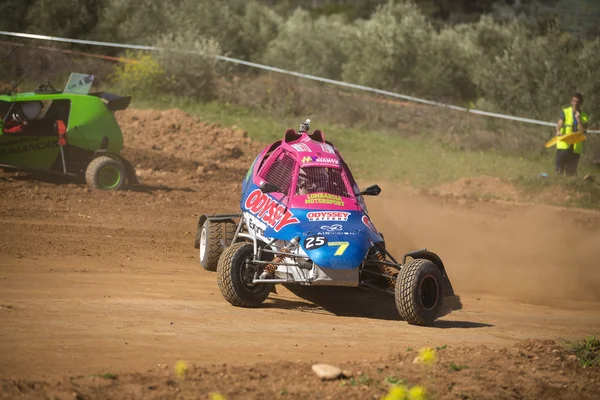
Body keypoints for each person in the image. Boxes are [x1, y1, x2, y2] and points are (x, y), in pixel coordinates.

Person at [555, 93, 589, 176]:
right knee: (559, 171)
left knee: (571, 173)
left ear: (581, 103)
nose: (576, 103)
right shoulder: (565, 112)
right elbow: (559, 124)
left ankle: (569, 188)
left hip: (575, 148)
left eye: (578, 101)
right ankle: (555, 188)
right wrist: (558, 130)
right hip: (564, 145)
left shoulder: (584, 116)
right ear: (571, 102)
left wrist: (578, 119)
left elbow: (582, 131)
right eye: (574, 101)